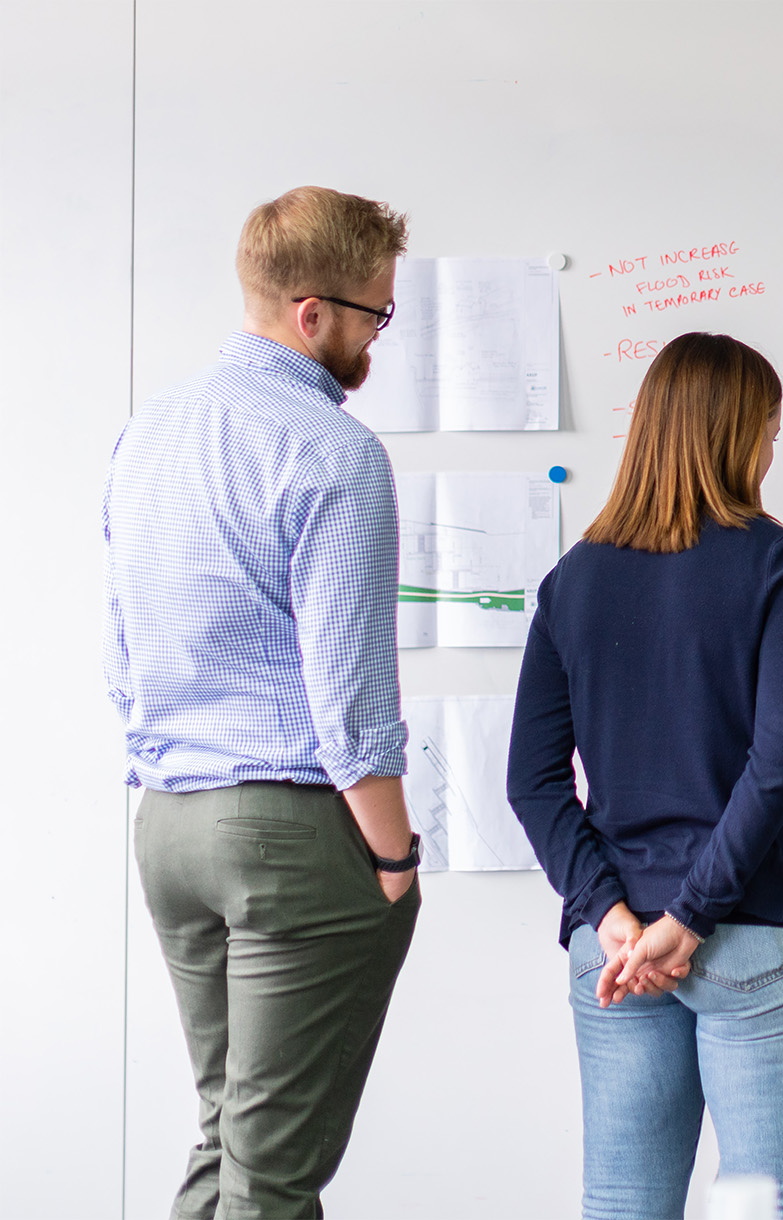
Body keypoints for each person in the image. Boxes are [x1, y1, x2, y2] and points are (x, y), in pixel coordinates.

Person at [104, 186, 420, 1218]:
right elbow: (350, 692)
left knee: (232, 1135)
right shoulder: (334, 451)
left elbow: (124, 643)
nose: (380, 333)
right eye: (374, 312)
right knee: (275, 1170)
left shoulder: (146, 434)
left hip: (169, 825)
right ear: (311, 313)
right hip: (290, 830)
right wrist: (396, 856)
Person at [507, 332, 783, 1220]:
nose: (773, 449)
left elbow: (532, 782)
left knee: (624, 1204)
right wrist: (690, 918)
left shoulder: (572, 578)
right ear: (736, 434)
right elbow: (774, 765)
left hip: (615, 949)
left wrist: (617, 918)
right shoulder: (779, 562)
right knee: (762, 1207)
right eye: (770, 428)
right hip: (759, 933)